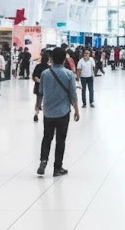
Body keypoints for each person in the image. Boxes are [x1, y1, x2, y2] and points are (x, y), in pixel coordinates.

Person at [38, 47, 80, 177]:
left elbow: (40, 92)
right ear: (64, 60)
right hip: (63, 112)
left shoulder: (45, 73)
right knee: (60, 140)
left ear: (51, 59)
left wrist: (38, 105)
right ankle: (57, 168)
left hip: (48, 112)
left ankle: (43, 160)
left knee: (47, 137)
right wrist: (77, 110)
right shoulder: (68, 74)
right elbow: (73, 95)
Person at [32, 53, 49, 122]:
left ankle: (36, 113)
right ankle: (47, 115)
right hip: (47, 86)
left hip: (38, 85)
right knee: (47, 101)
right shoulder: (49, 67)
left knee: (38, 100)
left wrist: (39, 81)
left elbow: (34, 76)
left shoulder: (38, 66)